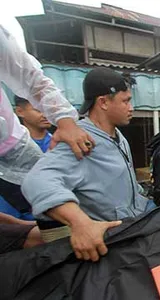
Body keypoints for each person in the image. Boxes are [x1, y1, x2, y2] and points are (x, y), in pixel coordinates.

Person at [22, 67, 152, 262]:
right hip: (111, 246)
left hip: (133, 229)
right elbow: (36, 181)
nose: (131, 107)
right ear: (103, 102)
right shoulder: (79, 140)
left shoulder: (119, 138)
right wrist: (79, 222)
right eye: (125, 101)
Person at [0, 24, 93, 254]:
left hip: (12, 145)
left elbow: (30, 76)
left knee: (56, 230)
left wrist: (65, 120)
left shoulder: (53, 146)